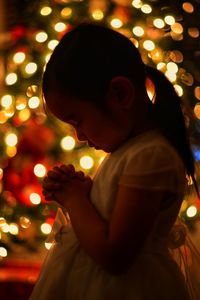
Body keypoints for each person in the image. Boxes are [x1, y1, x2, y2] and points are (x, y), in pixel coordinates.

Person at [29, 23, 199, 300]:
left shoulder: (151, 155)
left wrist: (75, 200)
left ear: (120, 94)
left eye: (78, 121)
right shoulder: (130, 151)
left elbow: (114, 255)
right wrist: (84, 193)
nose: (79, 136)